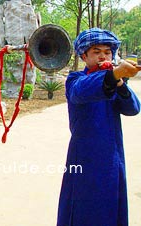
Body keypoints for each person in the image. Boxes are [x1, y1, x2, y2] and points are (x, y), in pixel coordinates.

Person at [57, 28, 141, 226]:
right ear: (84, 55)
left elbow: (133, 109)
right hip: (84, 158)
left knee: (111, 209)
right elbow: (82, 90)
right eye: (97, 52)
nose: (103, 56)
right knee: (82, 209)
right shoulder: (75, 80)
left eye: (108, 52)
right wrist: (113, 76)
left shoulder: (114, 80)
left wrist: (120, 83)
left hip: (112, 158)